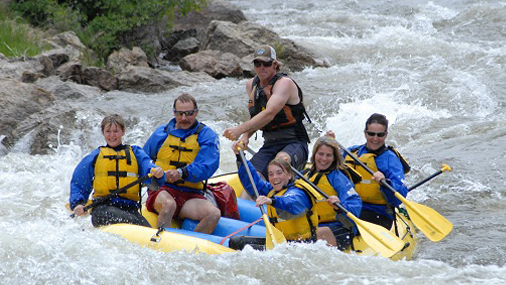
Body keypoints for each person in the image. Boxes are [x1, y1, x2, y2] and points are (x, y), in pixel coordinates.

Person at [223, 44, 310, 179]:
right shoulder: (251, 85)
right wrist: (245, 136)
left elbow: (269, 113)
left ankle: (287, 193)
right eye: (258, 64)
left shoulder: (284, 83)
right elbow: (257, 117)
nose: (262, 67)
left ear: (275, 64)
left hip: (294, 142)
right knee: (252, 177)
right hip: (270, 144)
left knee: (281, 163)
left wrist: (239, 129)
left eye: (266, 63)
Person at [143, 93, 221, 233]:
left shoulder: (206, 136)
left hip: (190, 194)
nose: (184, 118)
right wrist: (154, 171)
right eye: (180, 114)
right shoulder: (161, 134)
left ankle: (194, 247)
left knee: (213, 214)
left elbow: (207, 165)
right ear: (174, 113)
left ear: (196, 112)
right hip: (162, 190)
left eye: (189, 113)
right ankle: (162, 242)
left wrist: (182, 173)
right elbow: (142, 160)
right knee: (169, 205)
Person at [70, 114, 165, 227]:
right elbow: (79, 182)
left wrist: (158, 174)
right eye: (108, 131)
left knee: (146, 229)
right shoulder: (95, 156)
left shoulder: (135, 152)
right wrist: (78, 204)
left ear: (123, 131)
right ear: (103, 133)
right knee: (134, 224)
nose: (112, 135)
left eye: (116, 131)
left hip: (130, 209)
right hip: (102, 210)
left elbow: (148, 168)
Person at [329, 113, 409, 230]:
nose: (375, 139)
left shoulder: (390, 159)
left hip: (377, 213)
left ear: (386, 135)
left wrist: (385, 183)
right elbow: (328, 164)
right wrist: (329, 144)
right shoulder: (352, 152)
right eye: (371, 134)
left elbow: (399, 197)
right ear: (365, 133)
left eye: (380, 135)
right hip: (350, 208)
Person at [233, 143, 319, 243]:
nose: (275, 178)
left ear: (289, 175)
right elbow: (254, 182)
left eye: (279, 173)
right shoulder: (272, 190)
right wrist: (240, 157)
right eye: (271, 174)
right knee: (237, 242)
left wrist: (272, 201)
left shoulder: (299, 192)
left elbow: (290, 203)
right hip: (283, 243)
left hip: (304, 244)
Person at [302, 137, 362, 250]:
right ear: (314, 154)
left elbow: (355, 204)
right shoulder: (305, 175)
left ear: (334, 158)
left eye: (328, 155)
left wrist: (340, 206)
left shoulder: (339, 178)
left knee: (320, 233)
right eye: (321, 154)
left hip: (339, 227)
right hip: (312, 225)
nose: (324, 159)